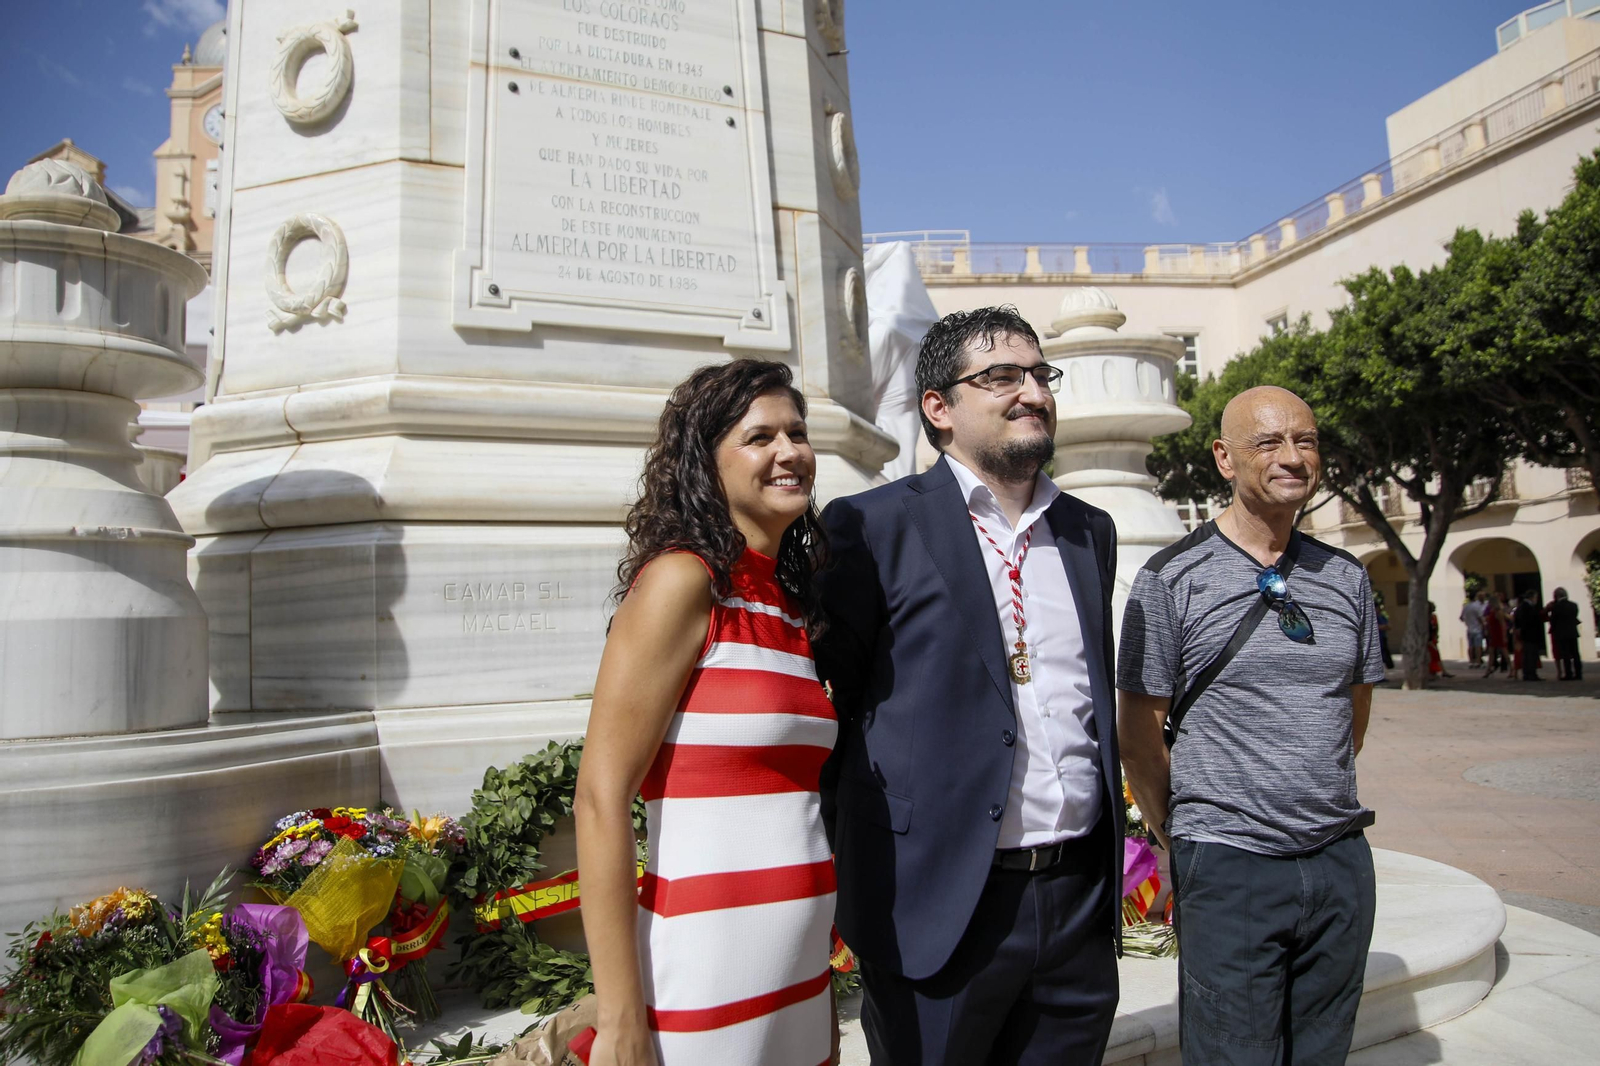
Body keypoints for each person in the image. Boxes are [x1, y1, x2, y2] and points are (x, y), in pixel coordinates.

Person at [816, 306, 1122, 1065]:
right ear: (939, 409)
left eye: (1040, 375)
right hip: (942, 907)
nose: (1032, 392)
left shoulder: (1089, 530)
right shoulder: (869, 528)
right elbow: (840, 710)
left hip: (1077, 898)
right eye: (1000, 376)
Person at [575, 360, 836, 1066]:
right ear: (706, 462)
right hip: (708, 977)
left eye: (798, 432)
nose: (789, 452)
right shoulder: (682, 582)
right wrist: (621, 1017)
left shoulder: (790, 603)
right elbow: (600, 798)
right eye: (760, 437)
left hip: (803, 980)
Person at [1118, 385, 1384, 1066]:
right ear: (1225, 459)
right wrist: (1182, 831)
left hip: (1338, 861)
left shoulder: (1347, 578)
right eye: (1269, 442)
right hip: (1229, 863)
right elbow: (1138, 731)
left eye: (1306, 440)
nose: (1293, 457)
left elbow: (1351, 711)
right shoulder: (1171, 578)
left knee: (1322, 1051)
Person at [1548, 587, 1584, 681]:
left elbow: (1553, 620)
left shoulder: (1556, 607)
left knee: (1566, 655)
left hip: (1561, 634)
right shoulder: (1573, 605)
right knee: (1575, 654)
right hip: (1572, 632)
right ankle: (1578, 673)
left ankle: (1568, 673)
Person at [1514, 589, 1546, 681]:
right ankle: (1530, 674)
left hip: (1527, 634)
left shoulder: (1522, 606)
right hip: (1530, 634)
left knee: (1528, 655)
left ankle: (1528, 673)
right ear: (1532, 597)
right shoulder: (1526, 607)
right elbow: (1529, 621)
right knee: (1530, 655)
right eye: (1535, 597)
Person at [1483, 591, 1509, 677]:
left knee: (1504, 652)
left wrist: (1504, 636)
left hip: (1498, 633)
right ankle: (1488, 669)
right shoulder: (1491, 611)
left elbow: (1503, 624)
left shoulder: (1498, 612)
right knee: (1491, 653)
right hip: (1493, 633)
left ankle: (1512, 668)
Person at [1461, 590, 1488, 666]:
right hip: (1477, 629)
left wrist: (1467, 621)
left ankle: (1471, 661)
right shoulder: (1476, 607)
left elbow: (1461, 617)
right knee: (1478, 646)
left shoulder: (1466, 607)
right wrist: (1484, 626)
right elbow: (1480, 618)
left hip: (1469, 628)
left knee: (1470, 646)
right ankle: (1478, 661)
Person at [1375, 592, 1394, 670]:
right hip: (1377, 639)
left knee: (1385, 655)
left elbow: (1389, 626)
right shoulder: (1373, 617)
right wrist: (1382, 627)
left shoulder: (1382, 616)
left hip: (1383, 638)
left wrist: (1384, 627)